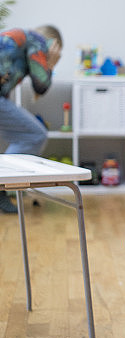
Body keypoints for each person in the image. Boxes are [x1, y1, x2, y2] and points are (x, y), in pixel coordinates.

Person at [0, 25, 62, 213]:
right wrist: (50, 64)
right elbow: (40, 85)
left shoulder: (22, 42)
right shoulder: (37, 41)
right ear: (53, 44)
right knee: (35, 134)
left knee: (26, 134)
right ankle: (2, 187)